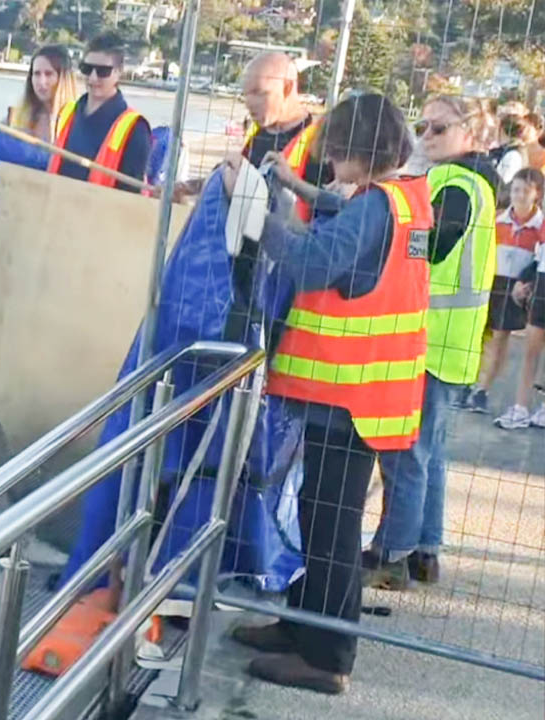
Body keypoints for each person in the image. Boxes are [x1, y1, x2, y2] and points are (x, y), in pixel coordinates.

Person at [223, 93, 429, 694]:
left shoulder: (374, 207)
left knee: (333, 529)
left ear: (356, 150)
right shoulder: (399, 198)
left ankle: (328, 657)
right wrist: (296, 186)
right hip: (365, 400)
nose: (329, 160)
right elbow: (346, 213)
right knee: (319, 514)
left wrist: (261, 217)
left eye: (335, 151)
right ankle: (301, 623)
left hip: (348, 399)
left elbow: (315, 263)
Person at [366, 95, 500, 591]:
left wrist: (400, 233)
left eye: (438, 128)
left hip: (429, 336)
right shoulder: (476, 183)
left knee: (407, 452)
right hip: (453, 341)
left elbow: (432, 248)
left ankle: (393, 554)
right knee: (431, 452)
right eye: (422, 126)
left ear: (469, 132)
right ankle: (426, 550)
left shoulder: (455, 183)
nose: (425, 136)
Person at [173, 52, 331, 220]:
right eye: (246, 94)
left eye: (259, 92)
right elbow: (231, 180)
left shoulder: (318, 142)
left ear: (287, 88)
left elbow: (325, 207)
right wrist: (185, 188)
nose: (249, 103)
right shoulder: (256, 132)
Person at [45, 32, 152, 194]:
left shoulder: (135, 128)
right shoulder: (67, 113)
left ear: (119, 72)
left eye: (103, 71)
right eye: (87, 69)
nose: (93, 78)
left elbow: (132, 198)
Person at [481, 169, 545, 428]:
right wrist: (525, 278)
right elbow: (539, 254)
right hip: (540, 279)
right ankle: (519, 407)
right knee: (531, 347)